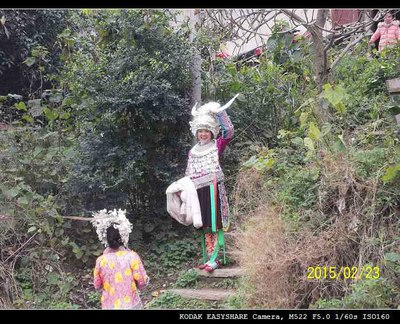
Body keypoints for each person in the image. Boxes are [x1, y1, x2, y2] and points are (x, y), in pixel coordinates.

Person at [184, 94, 238, 272]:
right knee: (204, 224)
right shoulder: (193, 151)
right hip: (198, 191)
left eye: (206, 131)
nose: (203, 134)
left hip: (213, 188)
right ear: (196, 133)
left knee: (216, 223)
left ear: (211, 132)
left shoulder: (217, 145)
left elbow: (229, 132)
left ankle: (216, 257)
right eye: (200, 131)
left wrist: (220, 113)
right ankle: (208, 257)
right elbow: (188, 173)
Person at [91, 209, 149, 309]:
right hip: (131, 305)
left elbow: (97, 285)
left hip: (109, 306)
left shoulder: (101, 260)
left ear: (106, 239)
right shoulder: (131, 256)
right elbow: (142, 281)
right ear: (122, 237)